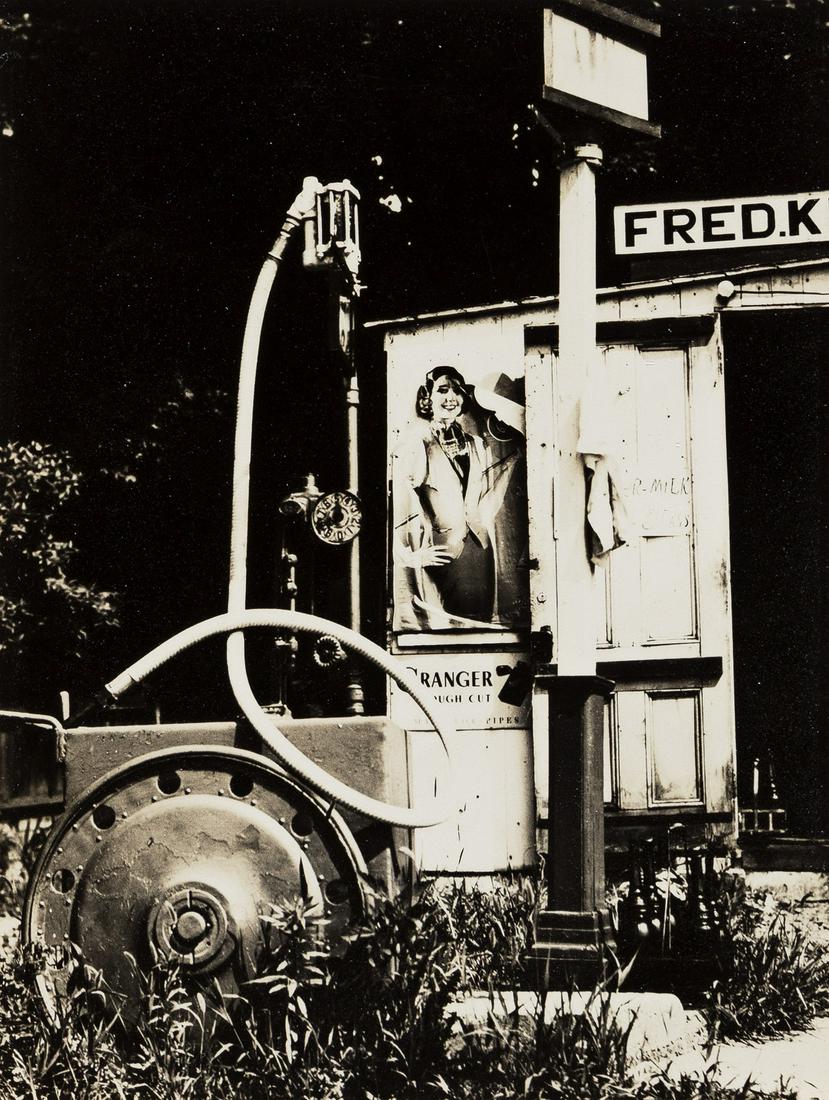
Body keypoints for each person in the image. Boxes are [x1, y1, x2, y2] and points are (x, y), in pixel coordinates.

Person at [392, 365, 527, 631]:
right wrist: (410, 556)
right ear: (426, 398)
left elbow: (483, 504)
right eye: (442, 390)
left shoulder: (475, 443)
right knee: (451, 629)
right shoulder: (416, 442)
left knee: (480, 626)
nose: (451, 397)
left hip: (481, 552)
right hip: (444, 553)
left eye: (457, 391)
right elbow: (400, 502)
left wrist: (511, 464)